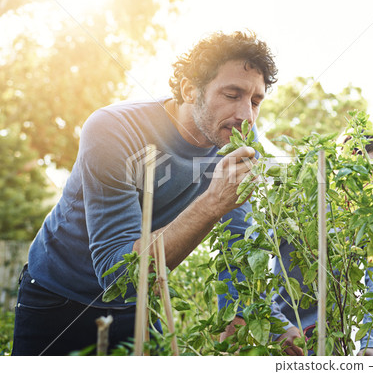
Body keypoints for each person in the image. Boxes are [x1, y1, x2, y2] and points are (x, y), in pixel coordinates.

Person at [12, 30, 278, 355]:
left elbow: (239, 245)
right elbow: (118, 275)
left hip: (143, 301)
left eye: (255, 101)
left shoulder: (239, 142)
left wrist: (240, 321)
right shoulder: (114, 129)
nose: (246, 116)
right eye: (232, 94)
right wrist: (211, 204)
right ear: (189, 89)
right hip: (58, 298)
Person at [219, 129, 373, 355]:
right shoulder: (300, 201)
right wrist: (279, 327)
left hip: (336, 341)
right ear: (354, 156)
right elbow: (249, 266)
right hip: (287, 341)